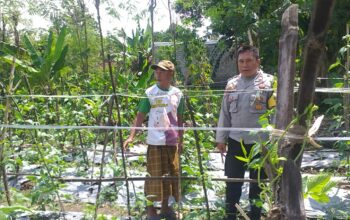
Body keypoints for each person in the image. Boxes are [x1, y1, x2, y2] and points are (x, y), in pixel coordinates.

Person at [216, 45, 276, 220]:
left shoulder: (269, 83)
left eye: (249, 60)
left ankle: (255, 216)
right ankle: (230, 216)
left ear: (258, 61)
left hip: (261, 144)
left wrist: (277, 141)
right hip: (236, 142)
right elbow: (224, 113)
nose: (245, 65)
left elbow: (276, 113)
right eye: (241, 61)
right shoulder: (232, 84)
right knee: (233, 183)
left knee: (257, 184)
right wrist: (221, 139)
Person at [123, 60, 184, 220]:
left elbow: (180, 119)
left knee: (170, 175)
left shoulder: (177, 94)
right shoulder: (150, 93)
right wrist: (131, 136)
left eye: (162, 71)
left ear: (170, 73)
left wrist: (181, 140)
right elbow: (140, 116)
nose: (158, 74)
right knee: (153, 176)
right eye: (156, 71)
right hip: (155, 142)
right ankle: (150, 209)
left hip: (171, 142)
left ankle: (165, 208)